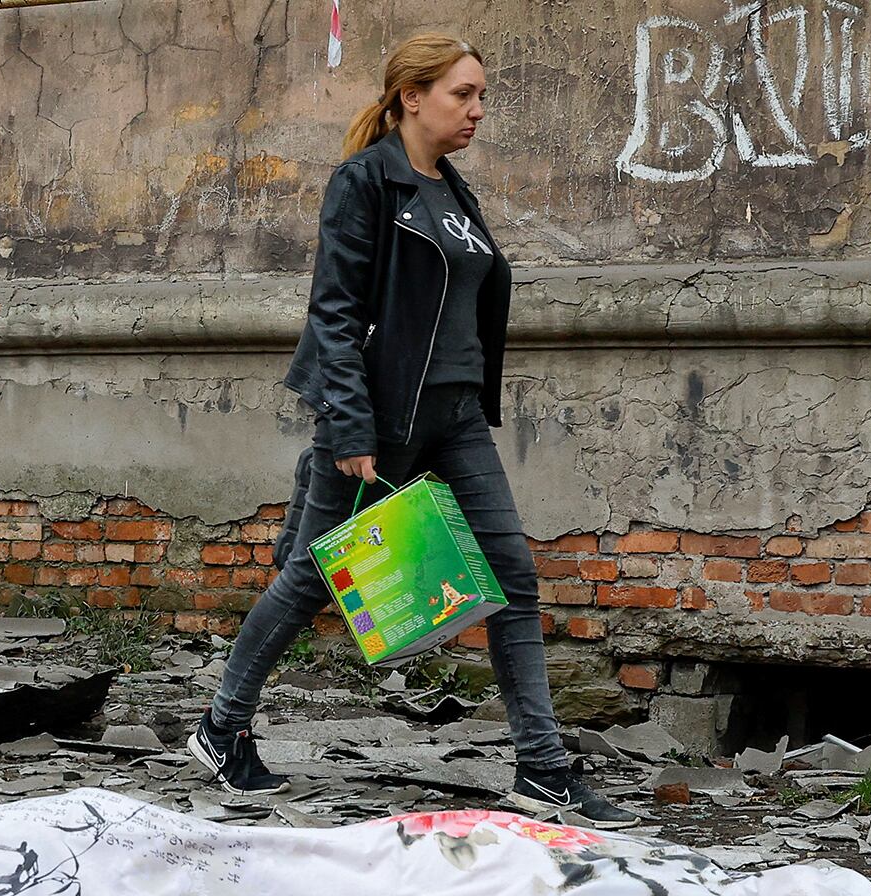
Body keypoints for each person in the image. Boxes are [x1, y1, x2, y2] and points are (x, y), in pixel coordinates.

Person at [188, 32, 639, 830]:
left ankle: (540, 768)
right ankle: (223, 728)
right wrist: (350, 422)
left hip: (457, 416)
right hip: (378, 416)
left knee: (509, 576)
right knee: (315, 576)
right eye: (463, 93)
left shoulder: (453, 194)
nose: (477, 109)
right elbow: (334, 312)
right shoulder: (367, 182)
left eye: (481, 94)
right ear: (411, 97)